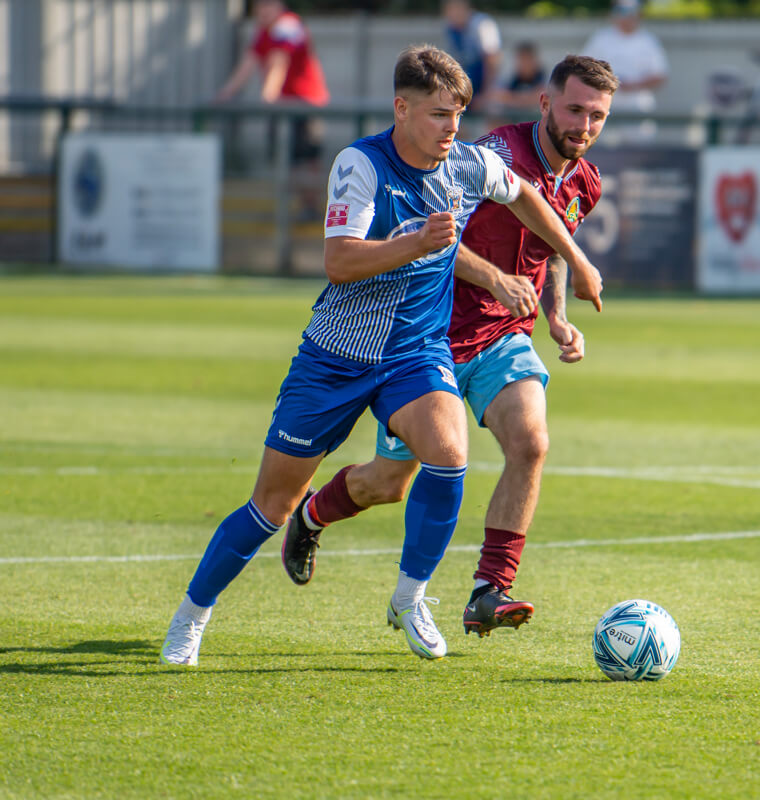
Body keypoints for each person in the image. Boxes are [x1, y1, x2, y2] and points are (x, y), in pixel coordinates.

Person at [160, 45, 604, 667]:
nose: (452, 127)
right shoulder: (360, 165)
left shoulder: (467, 166)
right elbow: (339, 262)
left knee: (450, 457)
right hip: (336, 357)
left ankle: (409, 597)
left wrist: (578, 261)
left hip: (414, 354)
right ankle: (191, 616)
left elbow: (527, 196)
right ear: (401, 108)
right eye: (438, 115)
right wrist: (419, 241)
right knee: (271, 506)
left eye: (457, 114)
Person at [279, 55, 618, 639]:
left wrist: (558, 316)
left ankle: (490, 588)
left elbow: (551, 241)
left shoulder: (584, 182)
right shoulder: (495, 156)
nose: (584, 126)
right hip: (424, 335)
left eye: (598, 116)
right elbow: (430, 236)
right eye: (574, 110)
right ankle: (311, 514)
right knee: (388, 483)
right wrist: (493, 278)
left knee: (531, 441)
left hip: (500, 336)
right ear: (545, 103)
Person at [215, 0, 330, 215]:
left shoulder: (288, 25)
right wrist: (226, 93)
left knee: (308, 158)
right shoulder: (263, 31)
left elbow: (280, 61)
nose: (262, 10)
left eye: (268, 4)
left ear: (279, 6)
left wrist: (268, 94)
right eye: (259, 5)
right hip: (283, 106)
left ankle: (312, 207)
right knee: (288, 159)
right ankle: (300, 208)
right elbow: (248, 62)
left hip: (305, 103)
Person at [581, 0, 667, 142]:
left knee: (639, 151)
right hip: (604, 105)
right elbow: (584, 67)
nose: (627, 18)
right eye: (621, 12)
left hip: (637, 107)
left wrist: (632, 85)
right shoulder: (601, 39)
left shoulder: (648, 41)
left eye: (631, 13)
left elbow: (659, 75)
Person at [442, 0, 502, 112]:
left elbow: (492, 60)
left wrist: (486, 95)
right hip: (465, 86)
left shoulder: (482, 24)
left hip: (485, 86)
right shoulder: (450, 28)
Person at [493, 41, 547, 116]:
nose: (524, 64)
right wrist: (525, 100)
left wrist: (514, 99)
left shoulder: (545, 78)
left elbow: (544, 96)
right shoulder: (512, 79)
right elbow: (499, 96)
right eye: (521, 59)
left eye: (527, 59)